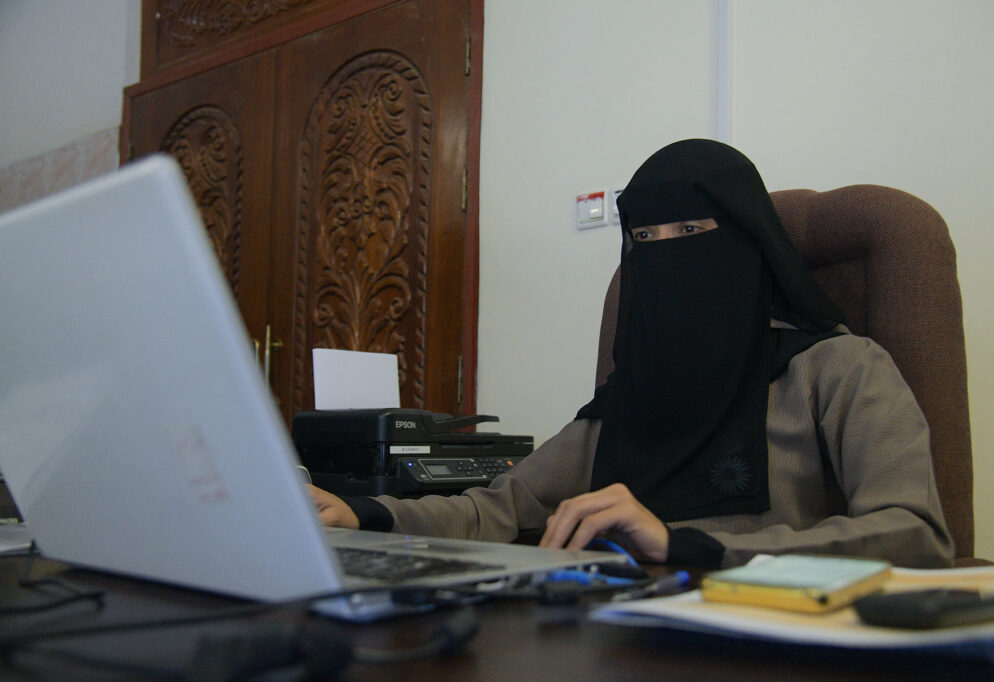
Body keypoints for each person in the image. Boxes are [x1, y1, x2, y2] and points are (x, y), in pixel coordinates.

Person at [309, 139, 955, 569]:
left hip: (772, 640)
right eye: (645, 237)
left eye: (691, 232)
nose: (666, 253)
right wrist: (362, 512)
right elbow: (494, 510)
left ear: (746, 244)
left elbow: (914, 533)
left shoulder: (839, 370)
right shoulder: (632, 392)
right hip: (620, 640)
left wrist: (687, 546)